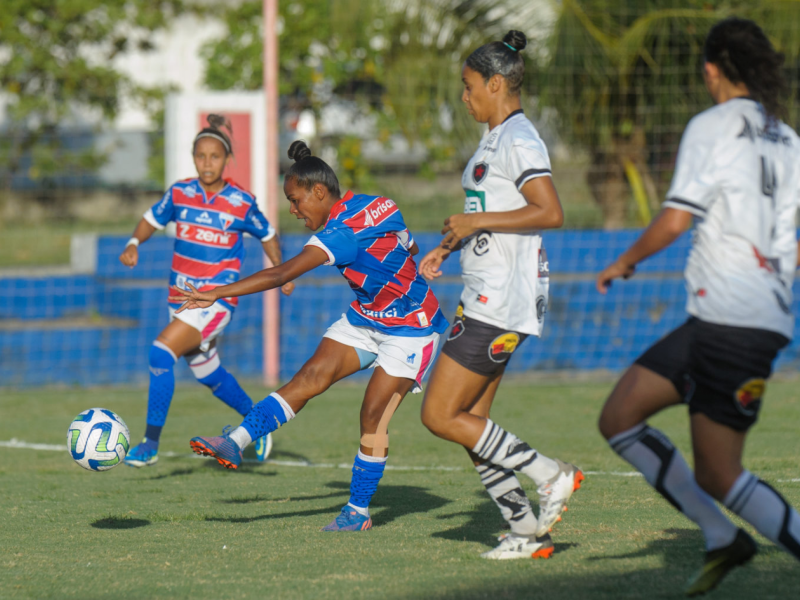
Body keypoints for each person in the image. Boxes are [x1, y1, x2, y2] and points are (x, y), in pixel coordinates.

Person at [596, 17, 800, 596]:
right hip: (746, 318)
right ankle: (719, 536)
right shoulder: (788, 138)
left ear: (712, 70)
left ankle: (728, 534)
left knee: (720, 471)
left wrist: (624, 260)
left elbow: (677, 217)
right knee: (619, 417)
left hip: (729, 322)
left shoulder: (712, 125)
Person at [174, 140, 449, 531]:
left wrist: (215, 292)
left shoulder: (337, 234)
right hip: (366, 319)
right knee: (309, 378)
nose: (293, 210)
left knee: (372, 413)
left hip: (413, 329)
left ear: (319, 191)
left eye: (295, 200)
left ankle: (358, 511)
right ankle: (234, 441)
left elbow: (281, 273)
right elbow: (409, 243)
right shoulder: (381, 204)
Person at [417, 30, 583, 560]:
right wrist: (449, 245)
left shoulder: (519, 138)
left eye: (468, 88)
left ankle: (551, 474)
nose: (463, 98)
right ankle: (527, 532)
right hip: (484, 293)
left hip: (501, 300)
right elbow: (485, 215)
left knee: (439, 416)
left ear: (495, 83)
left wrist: (475, 220)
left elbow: (549, 211)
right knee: (473, 427)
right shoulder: (493, 138)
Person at [120, 114, 293, 468]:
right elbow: (151, 219)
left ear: (226, 159)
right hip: (179, 300)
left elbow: (268, 234)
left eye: (215, 156)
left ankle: (149, 445)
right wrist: (134, 242)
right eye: (201, 156)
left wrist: (282, 273)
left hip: (215, 302)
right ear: (194, 157)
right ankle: (257, 424)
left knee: (160, 354)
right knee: (206, 372)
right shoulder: (180, 193)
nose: (207, 163)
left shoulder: (241, 201)